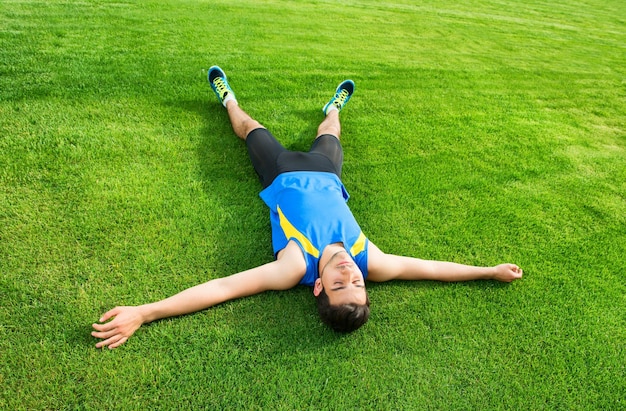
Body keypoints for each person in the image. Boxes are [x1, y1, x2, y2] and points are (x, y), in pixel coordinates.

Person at [91, 66, 523, 349]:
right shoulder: (369, 260)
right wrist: (488, 271)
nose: (350, 275)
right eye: (358, 284)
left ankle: (228, 99)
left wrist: (145, 313)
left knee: (249, 128)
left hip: (279, 171)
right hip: (327, 173)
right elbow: (431, 269)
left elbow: (222, 288)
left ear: (319, 288)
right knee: (331, 129)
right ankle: (333, 107)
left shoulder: (295, 267)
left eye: (340, 285)